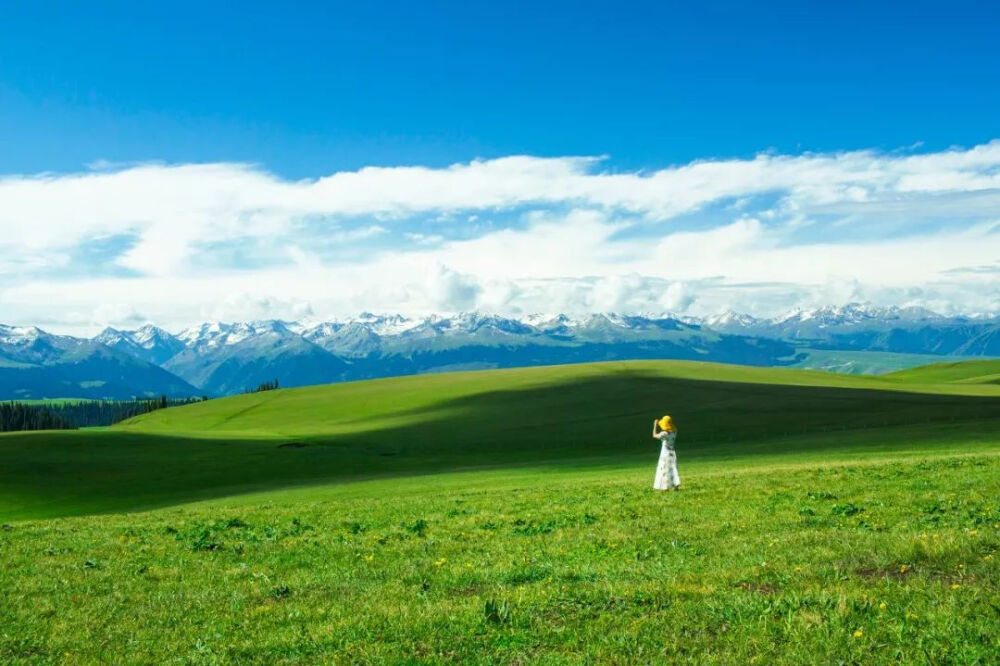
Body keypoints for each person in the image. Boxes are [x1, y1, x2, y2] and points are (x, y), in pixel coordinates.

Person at [652, 415, 680, 491]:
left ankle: (665, 487)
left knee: (664, 470)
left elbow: (654, 435)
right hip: (672, 452)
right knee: (673, 468)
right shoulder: (674, 432)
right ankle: (676, 486)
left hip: (665, 454)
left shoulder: (664, 434)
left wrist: (655, 425)